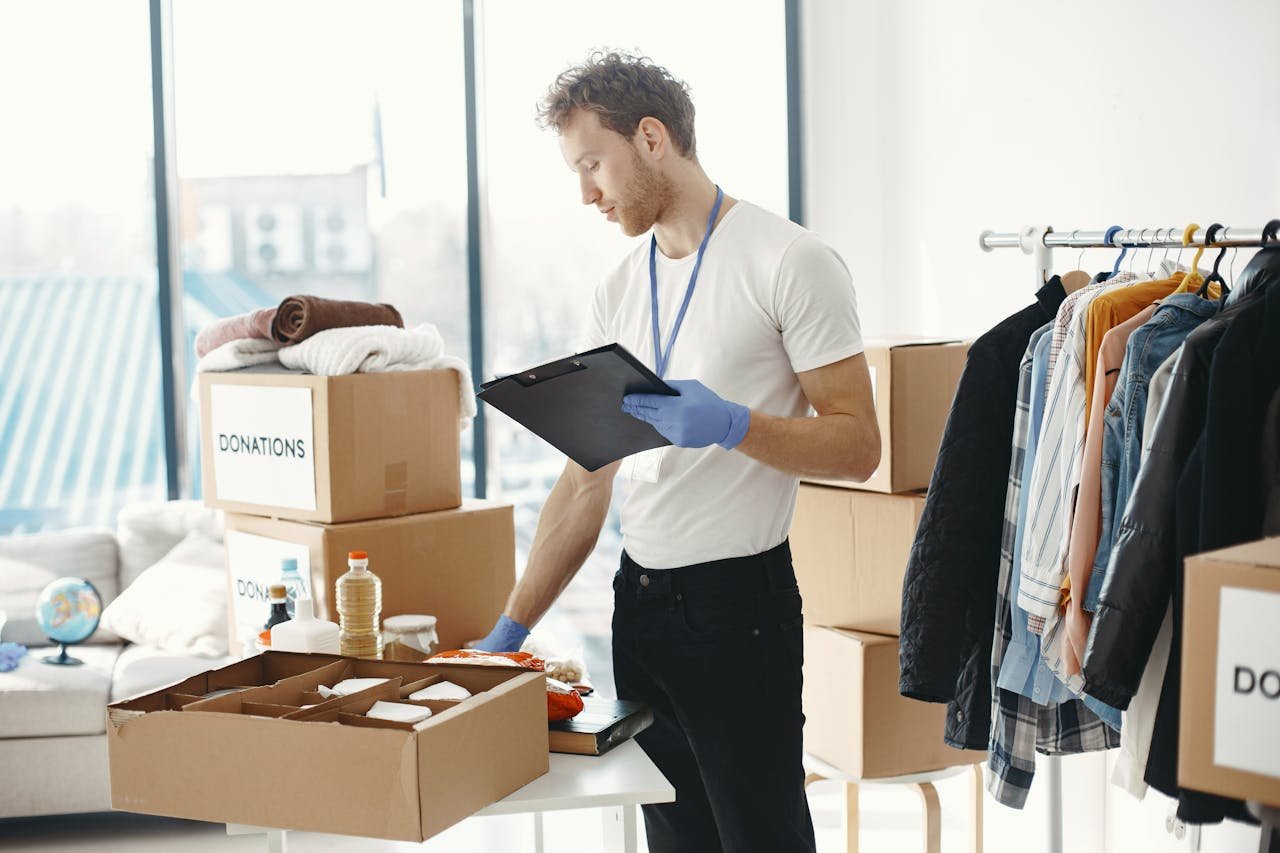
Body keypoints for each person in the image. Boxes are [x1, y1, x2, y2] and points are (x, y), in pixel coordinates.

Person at [474, 50, 879, 853]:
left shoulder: (788, 261)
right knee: (676, 842)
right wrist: (510, 629)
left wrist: (736, 425)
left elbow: (860, 444)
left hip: (740, 612)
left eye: (593, 163)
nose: (586, 192)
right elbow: (587, 480)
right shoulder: (618, 290)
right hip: (641, 607)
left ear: (652, 138)